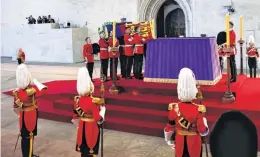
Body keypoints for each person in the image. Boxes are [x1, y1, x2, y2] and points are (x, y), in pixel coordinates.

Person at [164, 67, 209, 157]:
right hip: (194, 143)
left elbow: (168, 129)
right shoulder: (198, 109)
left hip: (180, 142)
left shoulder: (174, 108)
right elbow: (202, 131)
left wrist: (169, 141)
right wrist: (205, 123)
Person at [12, 63, 48, 157]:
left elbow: (15, 108)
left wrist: (20, 114)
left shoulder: (16, 92)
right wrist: (35, 81)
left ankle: (28, 154)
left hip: (22, 116)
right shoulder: (31, 91)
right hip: (30, 116)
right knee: (29, 138)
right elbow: (44, 91)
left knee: (24, 138)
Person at [71, 67, 106, 157]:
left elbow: (75, 116)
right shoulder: (93, 101)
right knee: (91, 153)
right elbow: (98, 118)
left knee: (84, 152)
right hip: (91, 128)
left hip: (82, 127)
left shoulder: (77, 100)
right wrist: (103, 112)